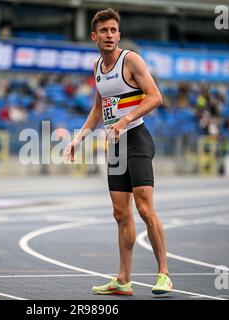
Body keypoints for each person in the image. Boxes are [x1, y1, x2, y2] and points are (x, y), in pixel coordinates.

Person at [64, 8, 172, 296]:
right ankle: (124, 279)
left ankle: (164, 274)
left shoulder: (131, 60)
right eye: (104, 31)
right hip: (115, 146)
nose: (109, 35)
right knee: (120, 213)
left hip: (136, 138)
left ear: (119, 34)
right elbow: (99, 109)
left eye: (113, 30)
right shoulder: (98, 68)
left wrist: (124, 120)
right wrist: (79, 138)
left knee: (145, 209)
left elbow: (155, 96)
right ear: (94, 36)